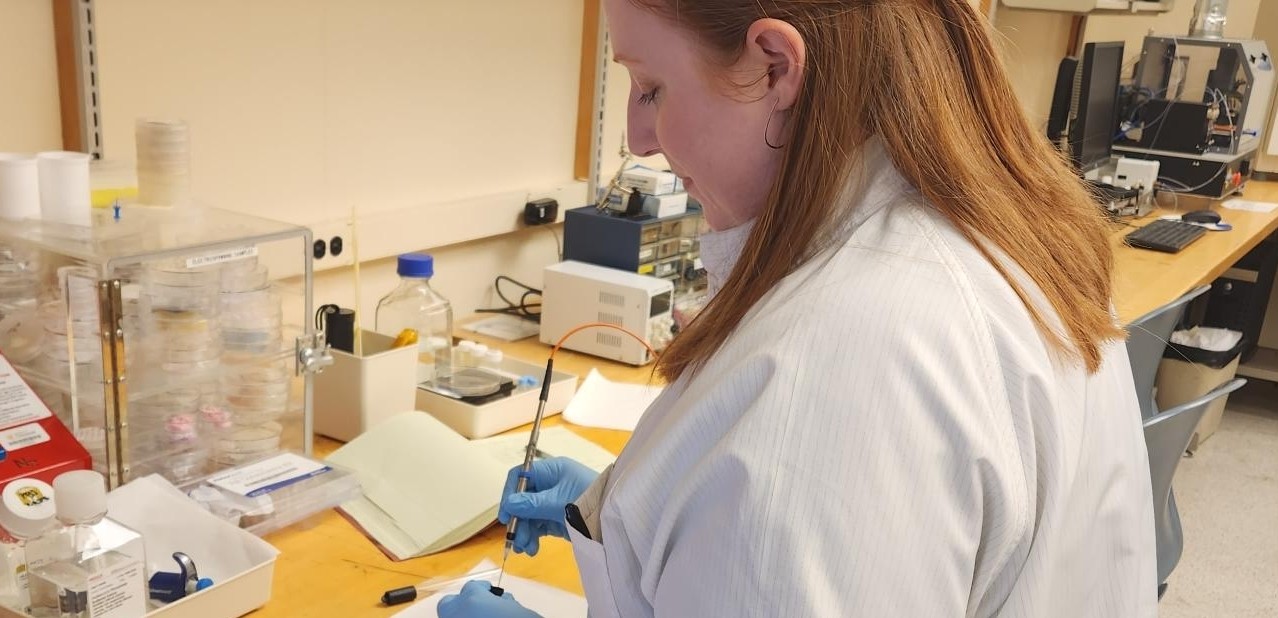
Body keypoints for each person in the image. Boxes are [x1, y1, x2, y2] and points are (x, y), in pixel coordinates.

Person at [438, 0, 1156, 615]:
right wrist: (634, 521)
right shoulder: (1004, 237)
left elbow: (795, 494)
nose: (638, 138)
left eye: (651, 88)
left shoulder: (836, 371)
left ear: (775, 67)